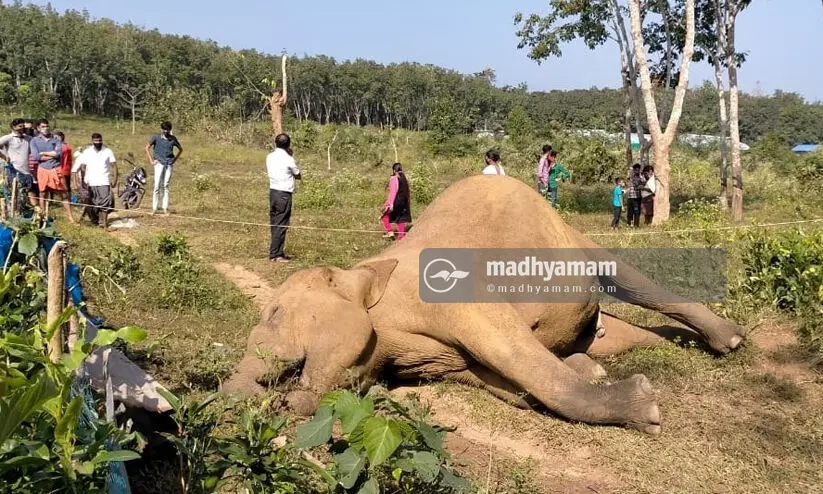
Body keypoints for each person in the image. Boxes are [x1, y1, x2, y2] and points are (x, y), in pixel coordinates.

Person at [30, 119, 74, 223]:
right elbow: (36, 157)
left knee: (64, 194)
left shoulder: (56, 140)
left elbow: (58, 154)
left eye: (47, 126)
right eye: (43, 126)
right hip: (43, 170)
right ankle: (43, 216)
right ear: (38, 128)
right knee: (42, 193)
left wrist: (43, 153)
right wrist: (51, 155)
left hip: (56, 169)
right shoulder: (34, 141)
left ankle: (71, 217)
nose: (45, 128)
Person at [266, 133, 301, 262]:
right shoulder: (288, 159)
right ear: (288, 145)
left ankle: (276, 251)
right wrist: (290, 155)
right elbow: (298, 174)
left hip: (273, 192)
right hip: (284, 194)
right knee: (281, 224)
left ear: (276, 143)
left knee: (275, 222)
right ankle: (276, 254)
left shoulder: (269, 156)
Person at [76, 133, 117, 228]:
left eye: (99, 140)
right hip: (91, 181)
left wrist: (115, 179)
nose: (98, 142)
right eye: (95, 141)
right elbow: (83, 166)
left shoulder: (108, 151)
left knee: (105, 203)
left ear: (102, 140)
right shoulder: (87, 152)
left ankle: (104, 223)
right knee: (92, 202)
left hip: (104, 181)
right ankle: (95, 220)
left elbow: (114, 166)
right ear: (92, 141)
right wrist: (83, 180)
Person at [145, 121, 183, 215]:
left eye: (167, 129)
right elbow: (147, 148)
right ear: (161, 129)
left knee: (165, 185)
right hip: (158, 163)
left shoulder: (173, 139)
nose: (165, 131)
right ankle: (154, 208)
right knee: (157, 185)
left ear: (170, 130)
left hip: (168, 164)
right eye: (164, 129)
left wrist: (174, 160)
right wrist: (151, 160)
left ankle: (165, 208)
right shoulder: (156, 137)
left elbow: (181, 149)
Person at [0, 118, 37, 209]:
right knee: (15, 192)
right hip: (13, 169)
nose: (22, 128)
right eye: (20, 126)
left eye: (23, 126)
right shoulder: (8, 138)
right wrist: (4, 157)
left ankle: (37, 212)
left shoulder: (28, 138)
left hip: (26, 170)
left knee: (30, 190)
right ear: (13, 127)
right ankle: (15, 211)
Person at [381, 163, 412, 240]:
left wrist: (389, 204)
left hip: (396, 201)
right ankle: (401, 235)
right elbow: (408, 192)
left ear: (394, 170)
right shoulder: (404, 178)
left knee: (384, 216)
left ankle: (390, 232)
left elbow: (393, 192)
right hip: (404, 202)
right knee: (401, 218)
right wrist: (408, 203)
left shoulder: (394, 178)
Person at [55, 131, 73, 199]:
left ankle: (67, 199)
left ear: (60, 137)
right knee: (66, 185)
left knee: (65, 186)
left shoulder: (63, 147)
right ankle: (67, 199)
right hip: (66, 168)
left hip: (63, 168)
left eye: (56, 137)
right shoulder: (67, 146)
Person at [626, 163, 644, 228]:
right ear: (633, 170)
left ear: (639, 170)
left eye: (638, 169)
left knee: (637, 212)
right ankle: (629, 224)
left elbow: (644, 183)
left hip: (637, 198)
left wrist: (640, 186)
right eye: (635, 169)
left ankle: (636, 225)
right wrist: (631, 169)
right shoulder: (630, 176)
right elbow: (628, 176)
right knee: (630, 212)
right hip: (630, 197)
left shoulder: (641, 177)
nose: (637, 170)